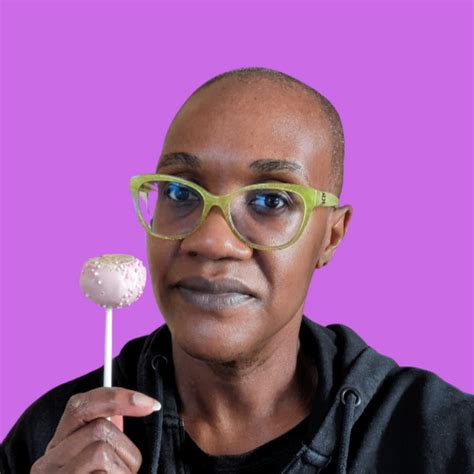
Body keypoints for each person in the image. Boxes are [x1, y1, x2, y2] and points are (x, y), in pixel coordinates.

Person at [1, 67, 473, 474]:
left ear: (331, 236)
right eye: (180, 193)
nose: (211, 240)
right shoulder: (54, 439)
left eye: (271, 200)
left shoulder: (445, 439)